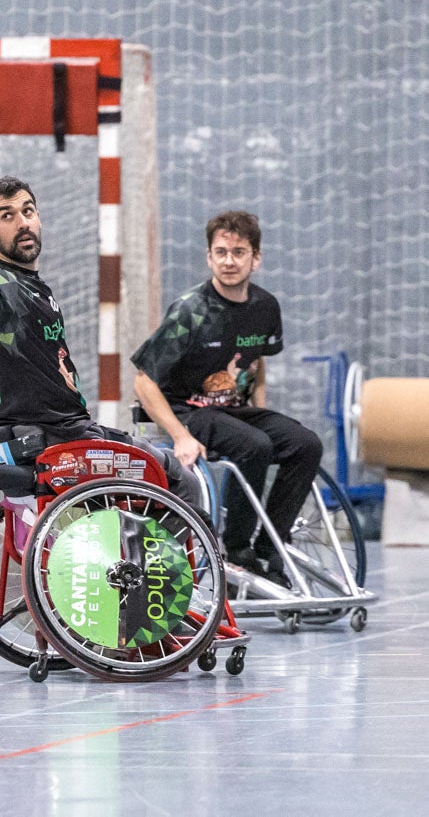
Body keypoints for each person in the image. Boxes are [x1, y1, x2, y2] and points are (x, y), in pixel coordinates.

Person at [0, 170, 201, 511]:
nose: (22, 222)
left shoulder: (26, 284)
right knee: (179, 478)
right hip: (63, 443)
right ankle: (180, 564)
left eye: (28, 211)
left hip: (54, 439)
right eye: (7, 216)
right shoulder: (1, 286)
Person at [131, 211, 320, 585]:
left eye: (238, 252)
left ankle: (270, 547)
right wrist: (181, 437)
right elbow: (143, 382)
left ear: (256, 258)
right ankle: (236, 550)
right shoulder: (190, 310)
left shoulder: (265, 307)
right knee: (255, 445)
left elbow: (258, 359)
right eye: (221, 252)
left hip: (234, 409)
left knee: (306, 444)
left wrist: (261, 408)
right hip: (188, 410)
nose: (229, 261)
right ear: (209, 257)